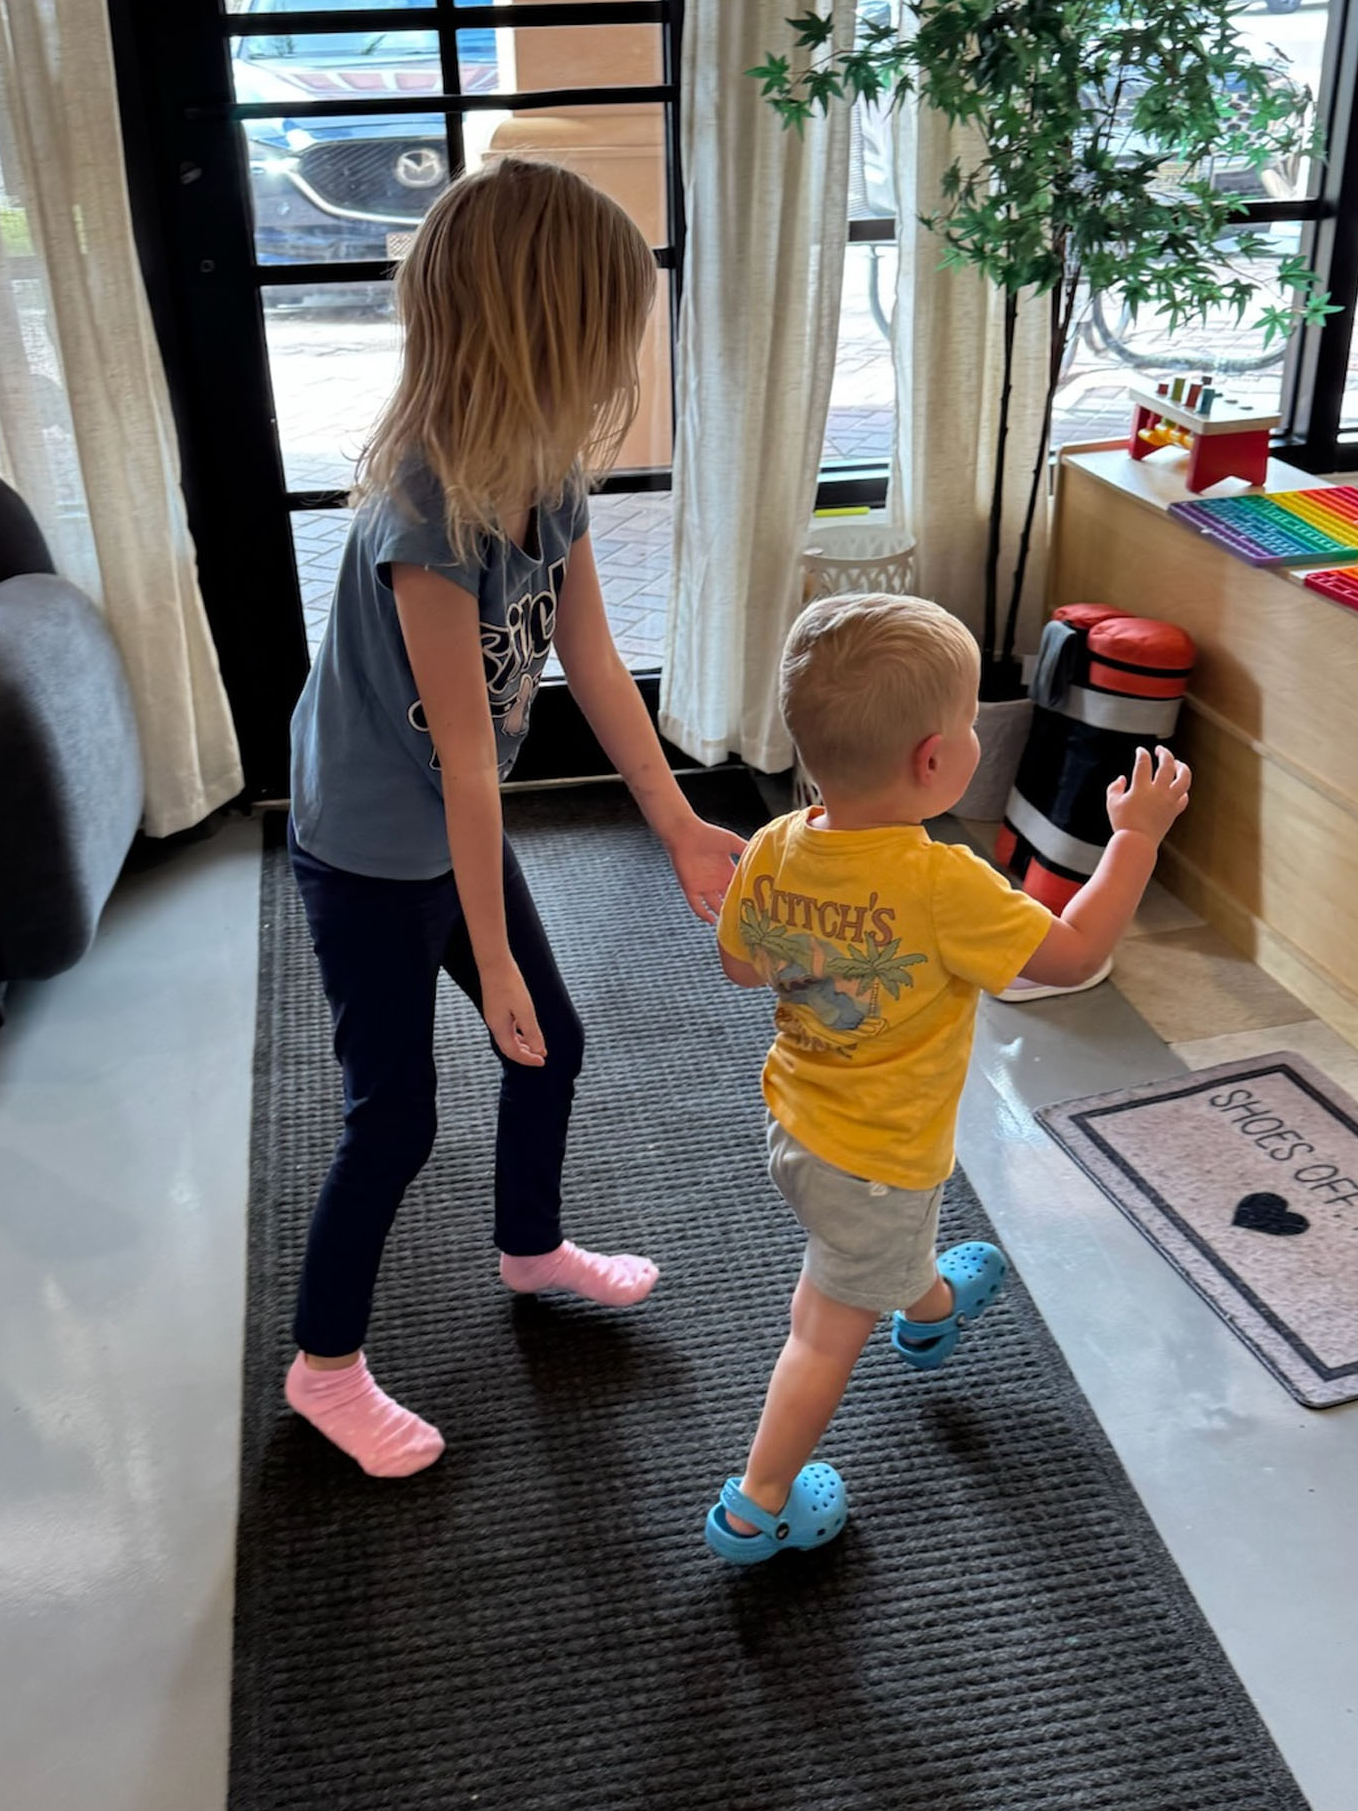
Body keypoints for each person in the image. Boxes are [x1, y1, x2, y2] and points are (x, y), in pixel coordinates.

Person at [282, 156, 745, 1476]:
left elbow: (594, 661)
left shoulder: (542, 475)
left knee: (550, 1045)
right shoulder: (422, 512)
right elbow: (472, 762)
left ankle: (531, 1244)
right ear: (540, 333)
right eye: (609, 332)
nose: (622, 365)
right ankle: (324, 1366)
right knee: (398, 1113)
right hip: (372, 847)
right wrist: (484, 959)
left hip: (447, 827)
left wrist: (676, 821)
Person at [707, 593, 1191, 1564]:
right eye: (971, 723)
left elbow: (739, 966)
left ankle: (928, 1314)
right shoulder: (942, 885)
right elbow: (1071, 956)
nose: (974, 738)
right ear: (934, 760)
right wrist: (1133, 838)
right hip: (879, 1155)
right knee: (820, 1327)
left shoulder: (773, 846)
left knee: (872, 1258)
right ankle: (757, 1506)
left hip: (799, 1123)